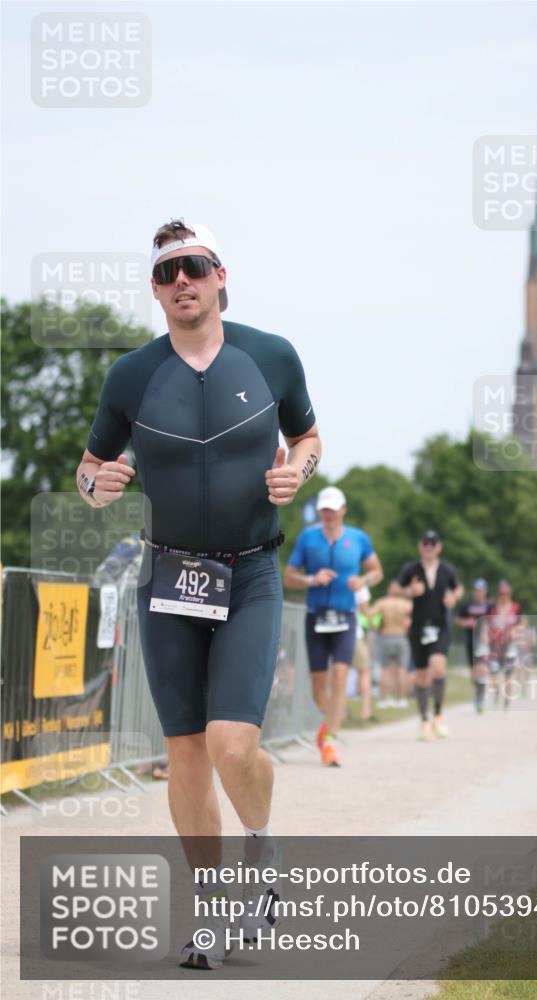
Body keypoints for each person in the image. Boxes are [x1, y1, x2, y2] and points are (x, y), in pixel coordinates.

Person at [77, 218, 321, 969]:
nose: (181, 281)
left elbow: (308, 438)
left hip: (248, 572)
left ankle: (263, 851)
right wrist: (99, 483)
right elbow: (88, 471)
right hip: (169, 576)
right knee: (185, 753)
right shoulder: (130, 376)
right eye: (165, 273)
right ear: (156, 291)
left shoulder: (272, 355)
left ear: (221, 276)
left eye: (193, 267)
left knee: (231, 743)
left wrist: (298, 473)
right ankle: (212, 913)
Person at [283, 486, 383, 766]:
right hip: (316, 616)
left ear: (343, 510)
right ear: (320, 512)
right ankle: (331, 722)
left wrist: (362, 581)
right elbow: (289, 577)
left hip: (345, 616)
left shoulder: (358, 538)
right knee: (319, 687)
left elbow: (377, 572)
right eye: (324, 509)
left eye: (333, 509)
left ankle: (329, 741)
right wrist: (311, 580)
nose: (329, 514)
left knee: (340, 675)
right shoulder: (308, 538)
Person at [392, 530, 463, 740]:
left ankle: (439, 715)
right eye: (426, 543)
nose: (429, 546)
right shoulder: (411, 569)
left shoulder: (447, 569)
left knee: (438, 666)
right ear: (420, 546)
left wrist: (454, 598)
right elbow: (393, 588)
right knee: (421, 675)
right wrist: (409, 592)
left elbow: (458, 588)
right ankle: (424, 720)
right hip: (418, 627)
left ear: (439, 547)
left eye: (433, 543)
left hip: (440, 626)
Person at [454, 578, 493, 714]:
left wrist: (486, 629)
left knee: (481, 668)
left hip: (484, 641)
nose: (478, 593)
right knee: (473, 672)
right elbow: (457, 619)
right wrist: (466, 622)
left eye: (481, 590)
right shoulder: (467, 605)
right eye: (476, 590)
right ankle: (478, 690)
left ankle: (480, 698)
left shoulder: (490, 606)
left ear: (485, 591)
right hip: (470, 639)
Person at [370, 587, 413, 708]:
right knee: (402, 669)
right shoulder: (406, 604)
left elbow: (370, 614)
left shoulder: (382, 602)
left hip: (385, 636)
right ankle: (402, 699)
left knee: (385, 670)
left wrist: (376, 627)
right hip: (401, 637)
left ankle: (384, 699)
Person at [487, 581, 523, 709]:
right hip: (495, 646)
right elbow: (487, 624)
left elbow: (521, 623)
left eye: (506, 594)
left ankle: (507, 702)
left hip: (510, 645)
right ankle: (496, 691)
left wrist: (516, 632)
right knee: (494, 673)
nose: (504, 596)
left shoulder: (516, 608)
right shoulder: (492, 608)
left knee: (508, 674)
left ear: (510, 594)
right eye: (501, 594)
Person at [350, 585, 379, 723]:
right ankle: (366, 711)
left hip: (330, 632)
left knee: (338, 673)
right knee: (364, 671)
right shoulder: (359, 584)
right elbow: (364, 608)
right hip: (354, 634)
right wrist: (373, 623)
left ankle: (339, 712)